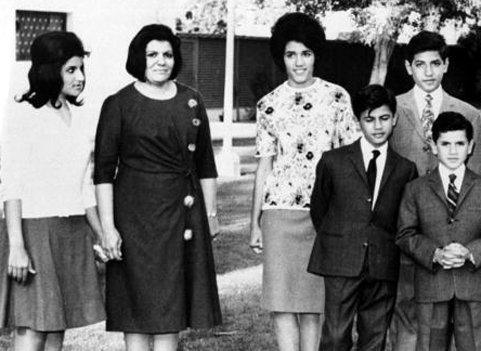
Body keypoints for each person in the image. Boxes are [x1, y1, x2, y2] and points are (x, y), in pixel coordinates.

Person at [94, 24, 221, 351]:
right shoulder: (118, 104)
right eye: (152, 54)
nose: (161, 61)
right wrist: (108, 228)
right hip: (134, 220)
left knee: (171, 309)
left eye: (167, 54)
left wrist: (211, 213)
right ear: (140, 57)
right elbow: (103, 173)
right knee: (135, 311)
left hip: (180, 216)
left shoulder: (192, 101)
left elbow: (206, 165)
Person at [249, 12, 360, 351]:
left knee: (314, 307)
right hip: (279, 214)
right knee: (282, 305)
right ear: (281, 57)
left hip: (324, 215)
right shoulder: (268, 105)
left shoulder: (337, 98)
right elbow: (264, 167)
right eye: (291, 54)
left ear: (316, 55)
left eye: (306, 54)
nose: (299, 62)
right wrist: (256, 223)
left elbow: (350, 159)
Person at [0, 31, 105, 351]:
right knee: (32, 329)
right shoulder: (24, 114)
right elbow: (11, 183)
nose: (80, 77)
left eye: (82, 69)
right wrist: (17, 246)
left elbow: (85, 185)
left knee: (57, 329)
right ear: (50, 70)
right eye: (71, 70)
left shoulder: (81, 117)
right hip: (34, 231)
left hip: (73, 232)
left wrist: (101, 234)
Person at [388, 30, 481, 350]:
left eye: (434, 64)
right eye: (420, 64)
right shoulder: (391, 112)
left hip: (456, 241)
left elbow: (476, 186)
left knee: (456, 323)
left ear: (445, 65)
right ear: (407, 67)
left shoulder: (469, 114)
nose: (427, 72)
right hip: (408, 235)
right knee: (407, 315)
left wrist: (465, 243)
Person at [308, 85, 417, 350]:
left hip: (383, 262)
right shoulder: (333, 161)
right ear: (358, 122)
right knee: (335, 336)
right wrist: (343, 239)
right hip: (341, 260)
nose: (377, 126)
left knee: (374, 338)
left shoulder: (405, 169)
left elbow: (404, 220)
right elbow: (319, 209)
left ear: (395, 119)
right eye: (369, 119)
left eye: (383, 118)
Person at [396, 112, 481, 351]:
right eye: (445, 144)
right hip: (432, 284)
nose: (453, 150)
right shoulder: (415, 189)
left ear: (471, 147)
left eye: (460, 143)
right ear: (434, 147)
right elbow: (405, 234)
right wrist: (434, 254)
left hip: (471, 283)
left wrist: (469, 252)